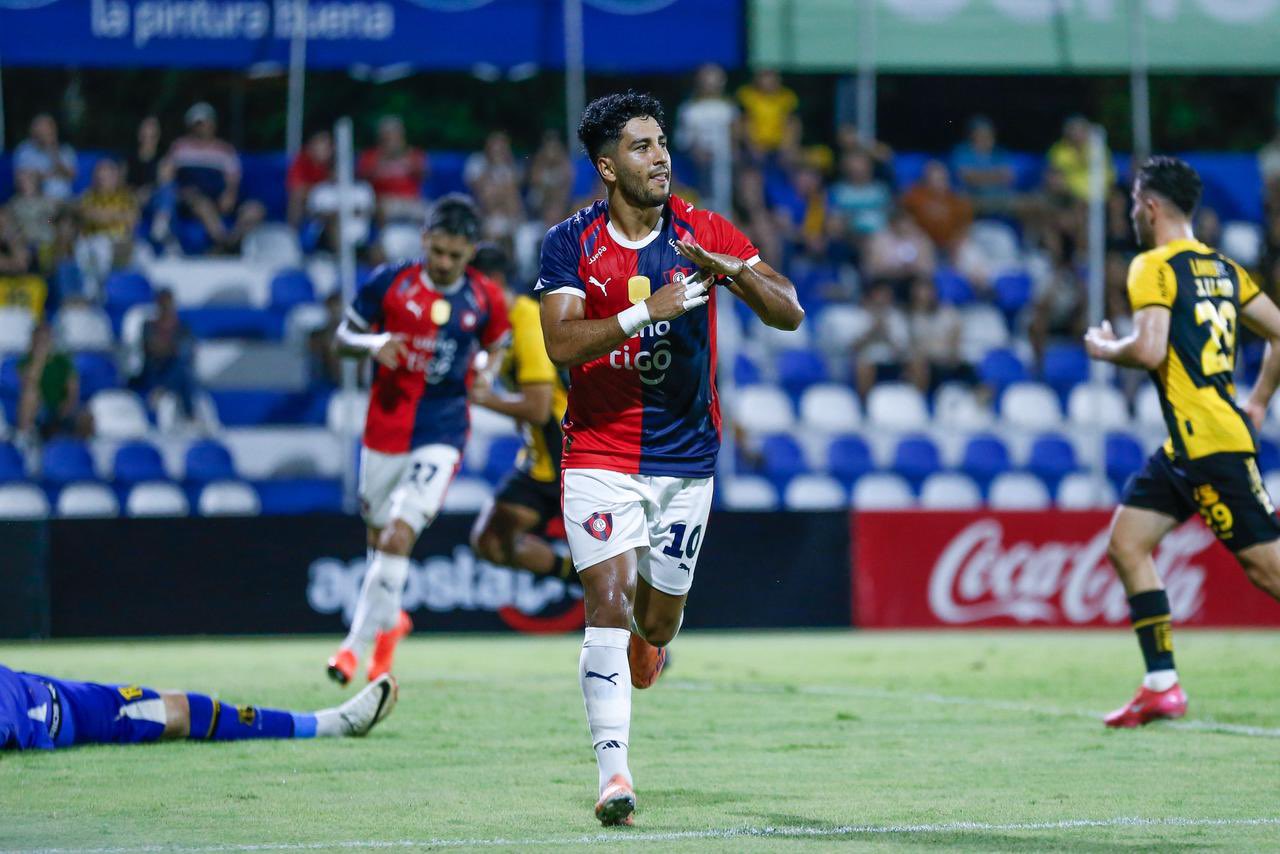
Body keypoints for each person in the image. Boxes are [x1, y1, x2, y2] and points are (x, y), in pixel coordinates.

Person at [537, 91, 802, 826]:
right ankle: (614, 776)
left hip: (685, 460)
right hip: (598, 451)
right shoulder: (569, 242)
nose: (661, 158)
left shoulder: (701, 228)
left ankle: (648, 648)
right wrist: (641, 312)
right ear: (607, 167)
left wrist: (733, 270)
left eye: (662, 143)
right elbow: (560, 344)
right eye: (643, 147)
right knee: (608, 601)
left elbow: (790, 311)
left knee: (655, 623)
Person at [1084, 156, 1280, 728]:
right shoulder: (1224, 269)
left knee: (1269, 571)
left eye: (1133, 203)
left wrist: (1106, 347)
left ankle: (1161, 685)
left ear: (1149, 207)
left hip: (1209, 445)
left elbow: (1149, 349)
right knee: (1127, 544)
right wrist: (1258, 401)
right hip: (1187, 446)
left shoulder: (1153, 265)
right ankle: (1161, 686)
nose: (1130, 213)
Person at [327, 194, 511, 686]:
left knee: (397, 535)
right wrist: (373, 344)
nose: (445, 263)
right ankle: (391, 625)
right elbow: (343, 338)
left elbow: (498, 343)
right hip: (385, 427)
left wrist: (486, 371)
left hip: (442, 429)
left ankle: (351, 648)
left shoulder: (484, 298)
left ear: (470, 251)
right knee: (379, 541)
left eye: (456, 255)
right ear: (425, 240)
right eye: (438, 251)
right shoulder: (389, 282)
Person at [467, 244, 574, 582]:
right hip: (539, 457)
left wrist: (479, 398)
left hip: (566, 453)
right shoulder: (498, 327)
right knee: (491, 541)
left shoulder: (527, 320)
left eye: (472, 289)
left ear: (495, 281)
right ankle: (576, 578)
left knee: (605, 550)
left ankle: (603, 587)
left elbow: (539, 408)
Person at [1, 663, 395, 751]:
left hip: (36, 685)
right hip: (65, 711)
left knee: (180, 705)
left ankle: (327, 723)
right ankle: (330, 724)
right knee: (185, 712)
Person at [165, 103, 265, 252]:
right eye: (198, 124)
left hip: (219, 197)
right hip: (192, 199)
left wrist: (229, 195)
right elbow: (167, 177)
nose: (203, 127)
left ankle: (233, 241)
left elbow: (233, 180)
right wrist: (180, 192)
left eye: (206, 122)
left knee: (255, 209)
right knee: (203, 204)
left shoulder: (225, 150)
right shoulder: (180, 147)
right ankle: (222, 241)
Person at [17, 322, 89, 442]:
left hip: (61, 406)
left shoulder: (62, 361)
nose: (44, 343)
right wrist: (39, 359)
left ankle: (79, 448)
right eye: (40, 340)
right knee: (30, 396)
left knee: (86, 416)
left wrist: (67, 404)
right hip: (40, 407)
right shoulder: (25, 361)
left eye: (47, 339)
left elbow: (73, 388)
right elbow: (29, 383)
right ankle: (24, 438)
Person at [132, 289, 197, 419]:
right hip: (154, 371)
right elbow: (151, 349)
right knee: (182, 374)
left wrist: (167, 349)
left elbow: (186, 351)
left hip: (173, 369)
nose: (166, 307)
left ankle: (161, 390)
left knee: (181, 368)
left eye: (169, 304)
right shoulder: (148, 326)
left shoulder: (182, 328)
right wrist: (170, 349)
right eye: (163, 304)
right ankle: (190, 415)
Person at [75, 159, 138, 294]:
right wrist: (117, 215)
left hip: (121, 239)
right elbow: (88, 215)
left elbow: (132, 220)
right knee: (97, 247)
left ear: (115, 178)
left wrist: (103, 215)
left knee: (144, 254)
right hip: (93, 238)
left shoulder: (126, 196)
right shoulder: (88, 196)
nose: (102, 181)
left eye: (106, 177)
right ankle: (100, 291)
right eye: (99, 177)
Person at [357, 115, 429, 225]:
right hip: (382, 203)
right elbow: (362, 178)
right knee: (383, 207)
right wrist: (383, 163)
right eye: (387, 136)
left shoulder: (413, 155)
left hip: (410, 202)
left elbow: (425, 174)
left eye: (395, 135)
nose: (391, 140)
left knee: (432, 212)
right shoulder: (370, 156)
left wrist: (405, 161)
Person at [900, 160, 973, 253]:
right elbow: (902, 216)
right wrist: (915, 232)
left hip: (950, 244)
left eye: (941, 178)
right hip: (921, 241)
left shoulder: (957, 199)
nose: (938, 181)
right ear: (926, 179)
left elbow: (965, 226)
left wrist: (957, 240)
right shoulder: (914, 196)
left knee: (967, 249)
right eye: (933, 178)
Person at [951, 115, 1017, 214]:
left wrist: (981, 176)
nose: (986, 137)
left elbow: (1010, 177)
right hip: (973, 198)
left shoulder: (1000, 153)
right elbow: (968, 178)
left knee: (1026, 204)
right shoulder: (962, 152)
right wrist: (997, 176)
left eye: (989, 133)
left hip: (1000, 198)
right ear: (972, 135)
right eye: (981, 133)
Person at [1047, 115, 1113, 203]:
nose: (1076, 135)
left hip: (1098, 193)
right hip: (1070, 194)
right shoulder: (1058, 151)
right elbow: (1054, 178)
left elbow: (1108, 174)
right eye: (1073, 130)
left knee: (1117, 201)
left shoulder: (1098, 149)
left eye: (1081, 131)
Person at [13, 114, 77, 202]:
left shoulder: (65, 149)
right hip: (36, 199)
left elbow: (71, 175)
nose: (43, 134)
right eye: (40, 130)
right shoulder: (25, 151)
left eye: (47, 130)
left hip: (64, 200)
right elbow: (23, 180)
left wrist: (53, 152)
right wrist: (52, 174)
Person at [736, 69, 798, 156]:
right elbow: (743, 122)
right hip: (754, 146)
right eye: (765, 79)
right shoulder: (747, 95)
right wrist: (751, 146)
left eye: (772, 80)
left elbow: (792, 123)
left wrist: (789, 146)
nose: (768, 83)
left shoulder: (787, 97)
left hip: (780, 146)